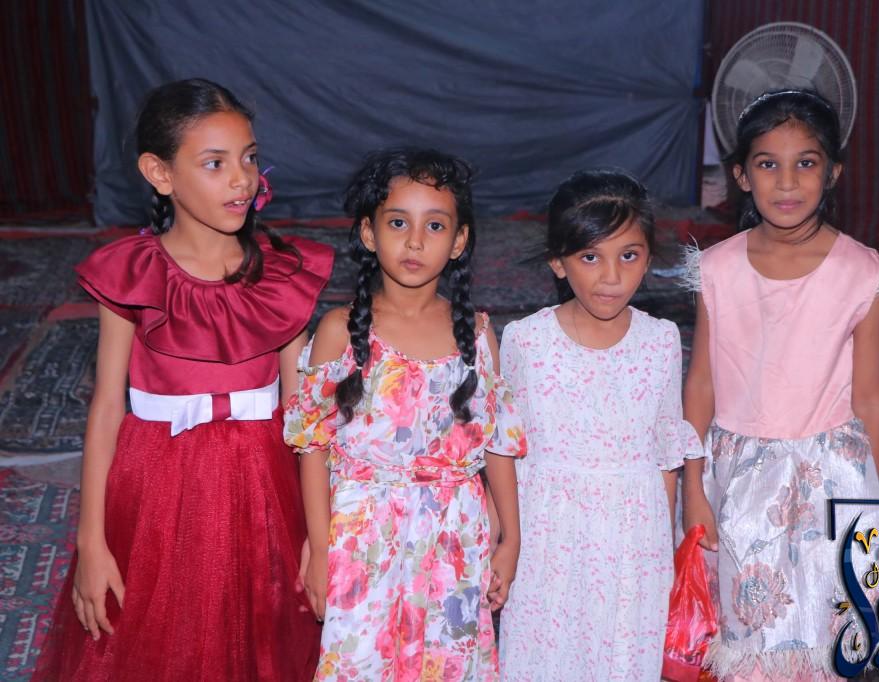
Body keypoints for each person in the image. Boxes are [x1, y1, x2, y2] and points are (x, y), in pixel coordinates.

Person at [33, 78, 330, 681]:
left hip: (265, 485)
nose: (241, 179)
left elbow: (306, 416)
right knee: (160, 637)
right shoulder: (133, 274)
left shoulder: (279, 275)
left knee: (264, 633)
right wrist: (91, 541)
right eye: (215, 164)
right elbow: (106, 408)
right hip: (157, 490)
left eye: (249, 158)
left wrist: (319, 539)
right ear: (159, 173)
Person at [680, 89, 879, 680]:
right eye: (768, 164)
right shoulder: (717, 268)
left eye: (805, 163)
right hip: (739, 482)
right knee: (751, 637)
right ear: (741, 175)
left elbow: (870, 396)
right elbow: (701, 382)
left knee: (828, 635)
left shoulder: (862, 271)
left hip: (832, 480)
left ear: (833, 171)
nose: (787, 182)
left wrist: (866, 500)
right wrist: (693, 485)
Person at [284, 147, 526, 681]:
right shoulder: (339, 330)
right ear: (368, 233)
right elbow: (311, 446)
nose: (415, 241)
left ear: (459, 241)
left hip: (454, 539)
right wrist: (320, 549)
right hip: (362, 540)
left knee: (448, 664)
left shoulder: (478, 336)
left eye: (435, 226)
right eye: (398, 222)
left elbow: (498, 444)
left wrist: (510, 537)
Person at [496, 169, 701, 681]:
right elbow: (504, 449)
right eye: (590, 257)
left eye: (628, 256)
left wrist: (663, 553)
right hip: (548, 542)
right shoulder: (526, 341)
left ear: (648, 259)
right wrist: (503, 539)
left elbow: (665, 455)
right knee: (544, 660)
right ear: (558, 261)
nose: (611, 277)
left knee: (623, 660)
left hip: (634, 546)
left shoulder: (660, 341)